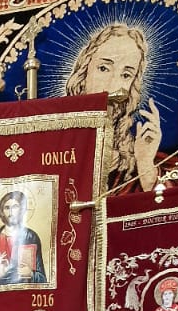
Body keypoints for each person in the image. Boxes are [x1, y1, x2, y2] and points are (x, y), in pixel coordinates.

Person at [64, 21, 161, 190]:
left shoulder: (135, 155)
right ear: (84, 72)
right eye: (103, 68)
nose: (112, 85)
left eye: (125, 75)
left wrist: (145, 164)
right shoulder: (53, 147)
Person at [0, 189, 47, 288]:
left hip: (25, 294)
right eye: (6, 208)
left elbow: (43, 279)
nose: (10, 212)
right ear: (2, 211)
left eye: (15, 207)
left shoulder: (31, 237)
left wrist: (31, 274)